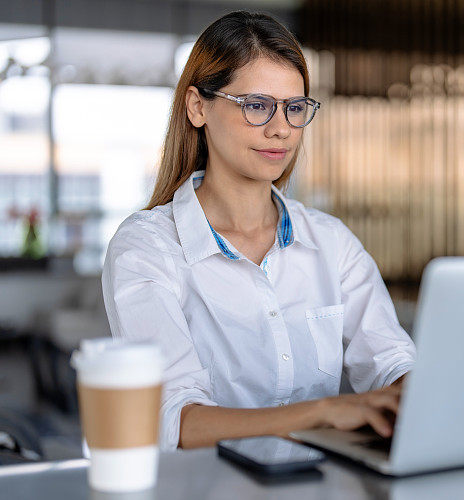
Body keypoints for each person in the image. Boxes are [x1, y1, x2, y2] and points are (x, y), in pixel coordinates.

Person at [101, 11, 416, 451]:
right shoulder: (148, 249)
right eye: (256, 105)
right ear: (197, 107)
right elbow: (175, 422)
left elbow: (392, 363)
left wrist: (420, 393)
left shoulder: (330, 242)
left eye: (294, 107)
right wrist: (323, 412)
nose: (281, 128)